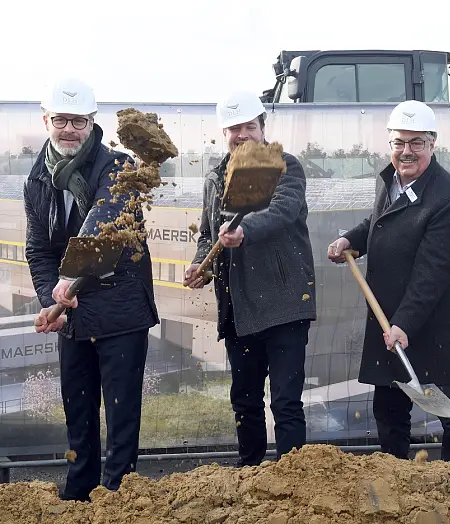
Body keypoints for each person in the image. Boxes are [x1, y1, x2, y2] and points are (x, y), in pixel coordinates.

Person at [26, 77, 159, 501]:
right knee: (77, 409)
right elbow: (38, 249)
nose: (69, 129)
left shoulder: (118, 167)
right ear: (46, 120)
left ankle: (118, 495)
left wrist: (68, 279)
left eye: (78, 121)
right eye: (61, 120)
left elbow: (105, 220)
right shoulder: (37, 179)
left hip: (120, 309)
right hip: (73, 314)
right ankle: (79, 492)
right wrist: (51, 297)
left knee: (121, 414)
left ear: (91, 123)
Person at [326, 100, 450, 461]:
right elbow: (380, 222)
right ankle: (395, 479)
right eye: (399, 142)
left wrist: (404, 323)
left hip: (438, 324)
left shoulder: (449, 197)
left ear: (432, 144)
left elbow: (433, 272)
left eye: (416, 143)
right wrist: (352, 240)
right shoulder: (392, 180)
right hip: (389, 319)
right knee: (390, 411)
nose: (406, 151)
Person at [183, 91, 316, 466]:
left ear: (262, 128)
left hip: (284, 303)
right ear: (223, 133)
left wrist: (244, 231)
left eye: (250, 126)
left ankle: (293, 476)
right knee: (244, 399)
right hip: (238, 310)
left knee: (286, 401)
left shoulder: (285, 166)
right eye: (234, 128)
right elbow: (208, 235)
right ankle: (250, 471)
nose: (243, 134)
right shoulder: (215, 178)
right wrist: (201, 264)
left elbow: (282, 212)